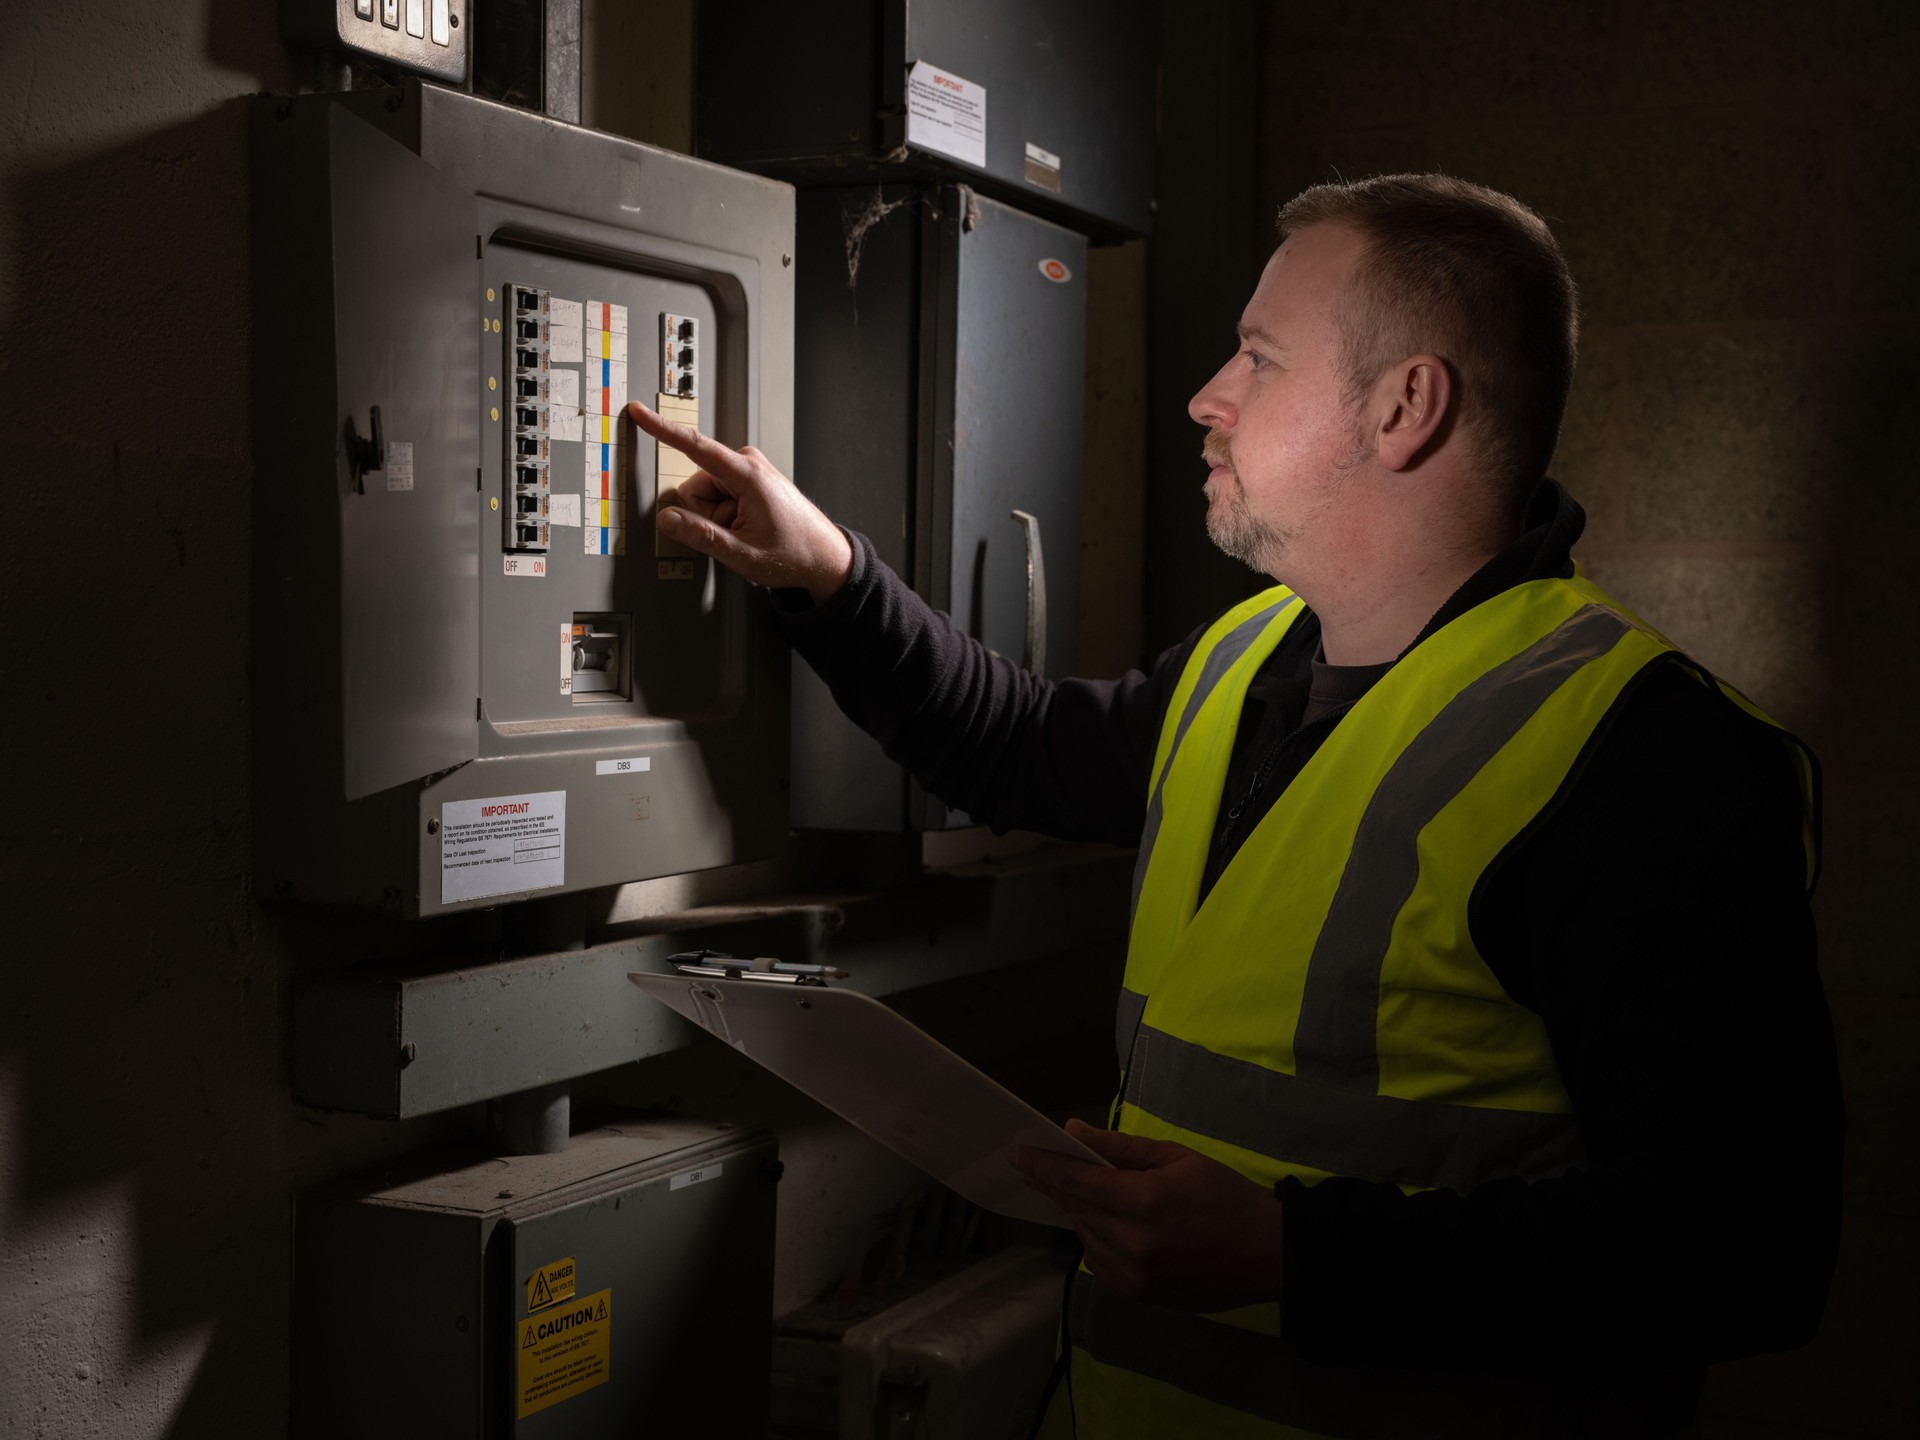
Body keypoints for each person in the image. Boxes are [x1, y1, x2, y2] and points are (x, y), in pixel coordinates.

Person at [627, 174, 1843, 1439]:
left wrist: (1293, 1255)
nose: (1208, 395)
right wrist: (827, 570)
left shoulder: (1646, 758)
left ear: (1405, 407)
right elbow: (1016, 747)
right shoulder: (1254, 659)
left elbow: (1744, 1252)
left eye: (1259, 358)